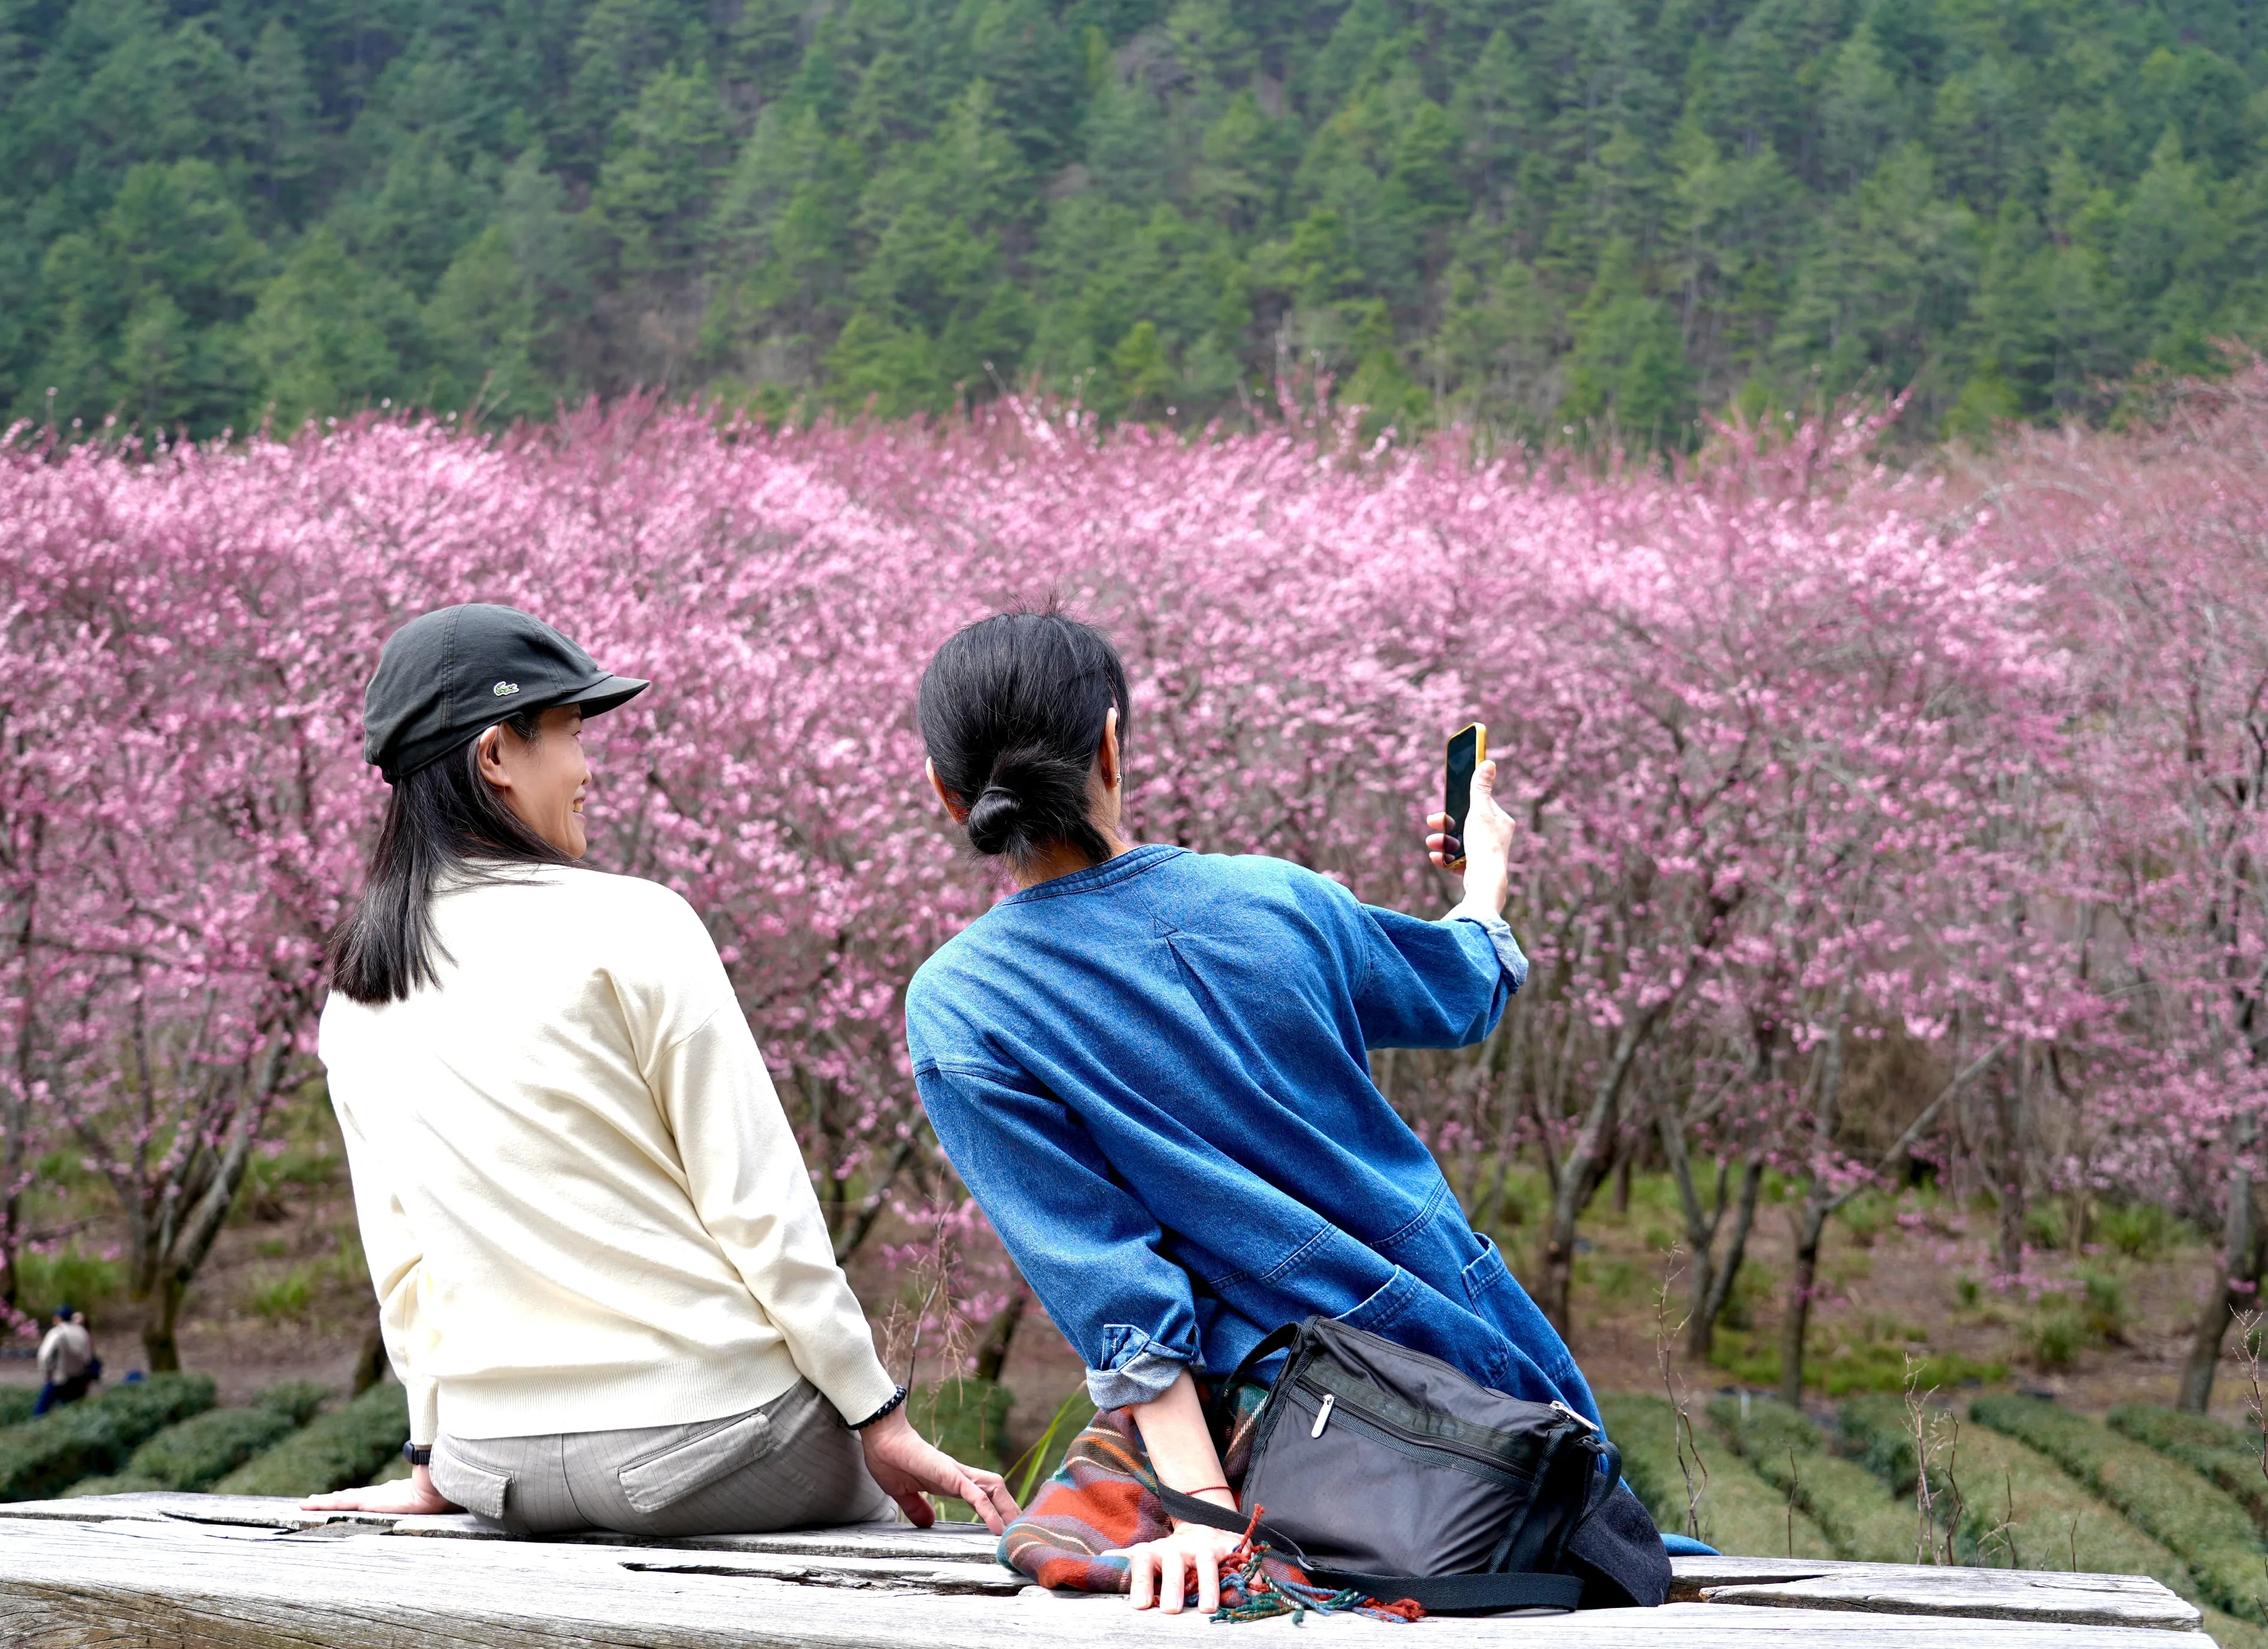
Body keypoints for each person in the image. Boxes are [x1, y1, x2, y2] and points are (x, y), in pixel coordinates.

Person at [905, 611, 1613, 1610]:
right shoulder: (1281, 899)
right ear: (1111, 745)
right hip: (1493, 1365)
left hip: (1311, 1422)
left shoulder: (964, 1004)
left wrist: (1200, 1510)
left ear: (946, 792)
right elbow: (1459, 990)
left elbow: (1113, 1284)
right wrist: (1484, 875)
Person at [304, 604, 1016, 1540]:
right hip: (712, 1444)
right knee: (885, 1528)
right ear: (496, 755)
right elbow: (757, 1205)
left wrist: (433, 1460)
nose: (587, 769)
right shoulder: (634, 925)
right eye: (569, 733)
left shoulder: (359, 989)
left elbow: (404, 1266)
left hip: (498, 1467)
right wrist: (877, 1416)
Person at [33, 1306, 97, 1415]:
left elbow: (44, 1356)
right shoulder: (82, 1332)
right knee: (72, 1411)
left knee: (41, 1410)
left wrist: (47, 1374)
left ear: (58, 1318)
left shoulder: (56, 1333)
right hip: (79, 1379)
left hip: (59, 1378)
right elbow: (88, 1357)